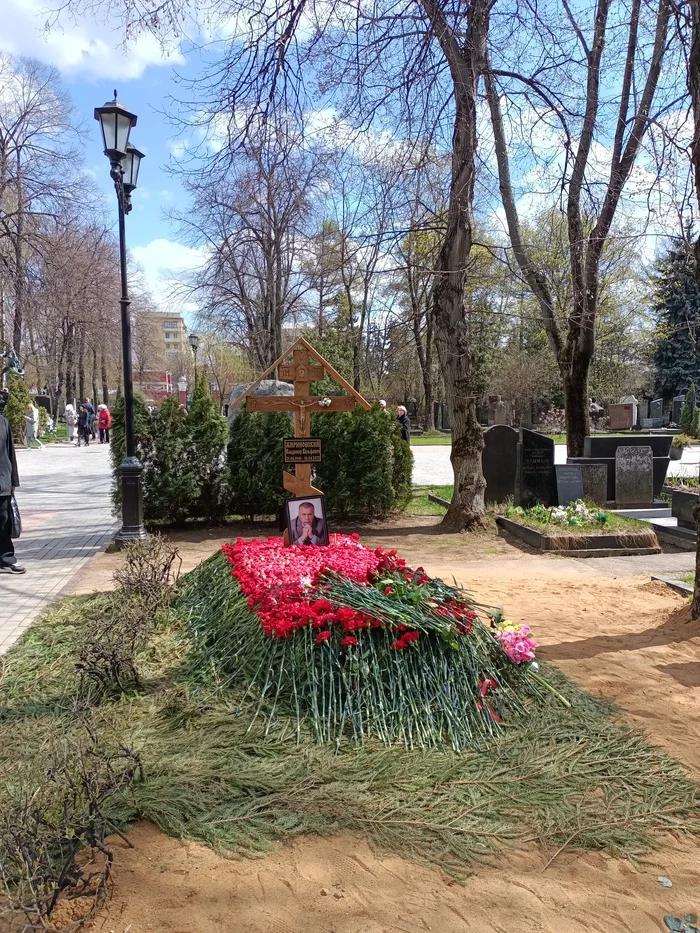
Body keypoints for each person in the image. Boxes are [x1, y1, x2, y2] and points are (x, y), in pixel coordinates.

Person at [0, 394, 25, 573]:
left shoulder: (3, 422)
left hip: (3, 481)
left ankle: (6, 559)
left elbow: (10, 452)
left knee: (4, 522)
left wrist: (13, 480)